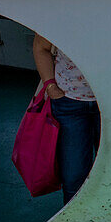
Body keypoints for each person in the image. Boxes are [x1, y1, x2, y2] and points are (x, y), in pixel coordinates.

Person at [31, 34, 99, 204]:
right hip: (69, 102)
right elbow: (41, 48)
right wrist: (51, 86)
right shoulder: (60, 9)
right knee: (74, 175)